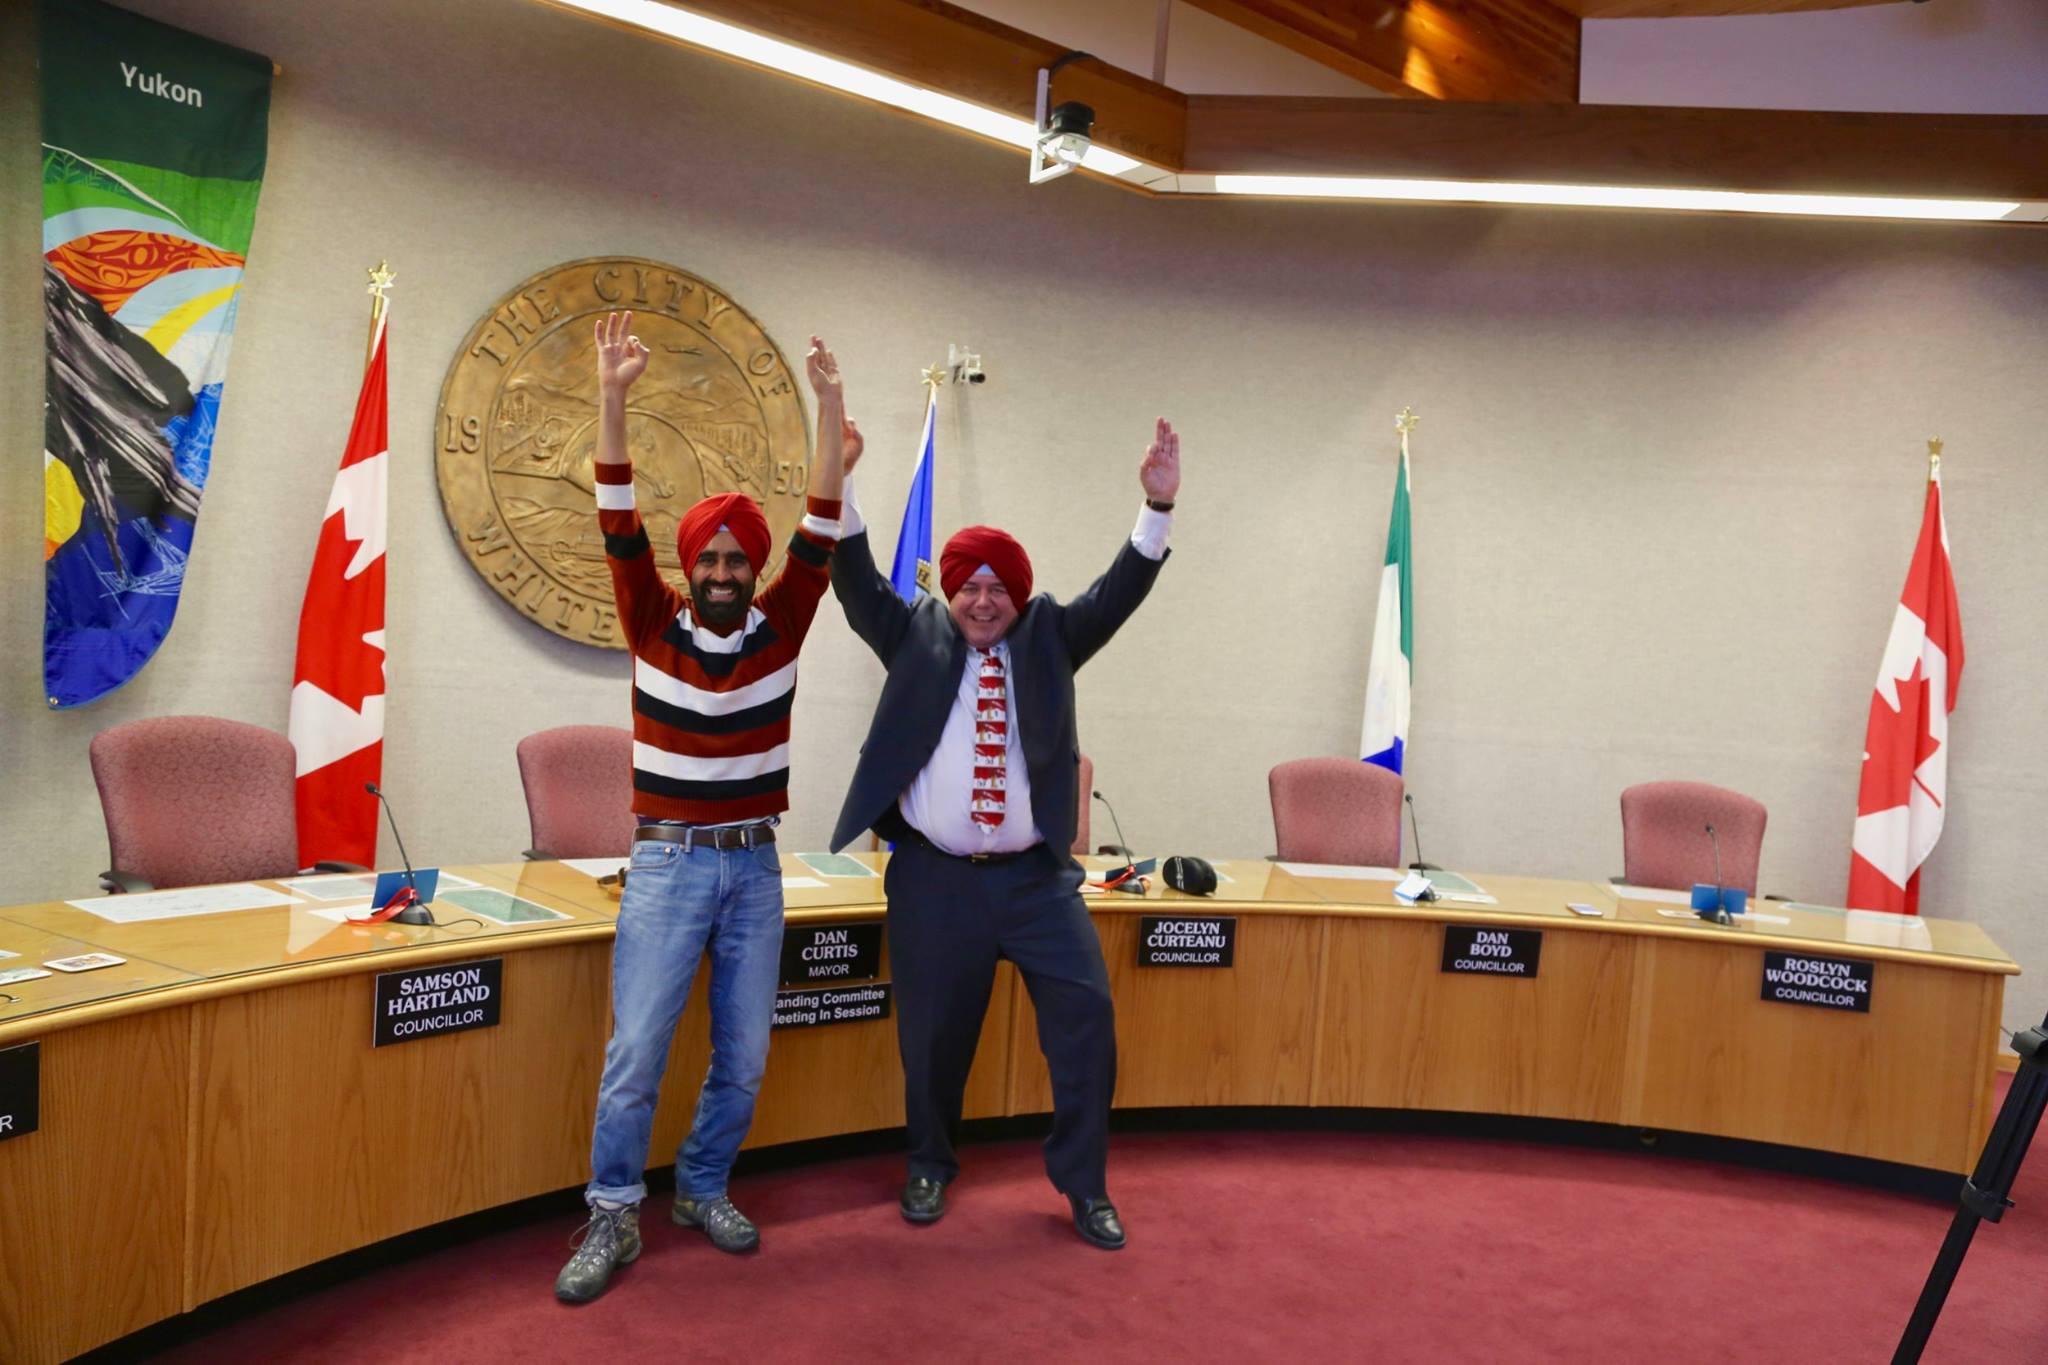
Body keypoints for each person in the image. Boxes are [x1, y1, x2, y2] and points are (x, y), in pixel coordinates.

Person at [555, 311, 859, 1303]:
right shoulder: (649, 620)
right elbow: (615, 511)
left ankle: (700, 1187)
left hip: (755, 866)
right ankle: (611, 1215)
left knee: (746, 1056)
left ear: (755, 571)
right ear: (691, 568)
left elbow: (820, 516)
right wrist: (610, 398)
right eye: (711, 561)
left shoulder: (783, 624)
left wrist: (826, 403)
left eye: (739, 561)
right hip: (670, 863)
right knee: (636, 1052)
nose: (725, 573)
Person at [827, 417, 1181, 1250]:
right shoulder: (912, 633)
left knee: (1087, 1016)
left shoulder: (1053, 636)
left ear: (1018, 595)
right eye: (969, 586)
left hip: (1034, 883)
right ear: (949, 592)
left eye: (998, 587)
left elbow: (1120, 588)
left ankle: (1085, 1185)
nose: (983, 601)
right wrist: (837, 482)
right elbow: (851, 580)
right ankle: (928, 1162)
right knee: (932, 1036)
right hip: (934, 879)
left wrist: (1156, 505)